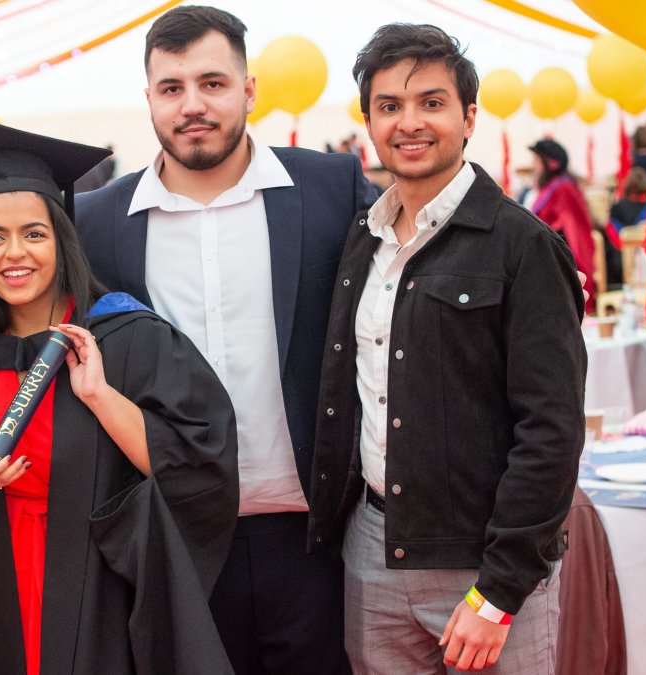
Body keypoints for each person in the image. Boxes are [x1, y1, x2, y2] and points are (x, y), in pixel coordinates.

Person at [74, 6, 374, 674]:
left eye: (212, 83)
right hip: (172, 539)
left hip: (311, 538)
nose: (193, 105)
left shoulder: (329, 189)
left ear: (249, 89)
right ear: (149, 98)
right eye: (172, 88)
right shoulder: (95, 222)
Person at [0, 120, 239, 674]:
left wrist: (102, 396)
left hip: (99, 608)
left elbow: (199, 469)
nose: (15, 254)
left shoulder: (127, 339)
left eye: (34, 233)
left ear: (62, 238)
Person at [308, 24, 586, 673]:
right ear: (370, 121)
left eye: (431, 103)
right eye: (390, 106)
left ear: (467, 117)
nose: (410, 122)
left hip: (483, 563)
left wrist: (498, 592)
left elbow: (552, 429)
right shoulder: (362, 240)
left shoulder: (523, 245)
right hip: (371, 552)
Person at [528, 139, 596, 311]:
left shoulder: (564, 187)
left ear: (549, 163)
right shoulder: (551, 186)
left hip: (560, 251)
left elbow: (570, 225)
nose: (533, 165)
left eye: (536, 160)